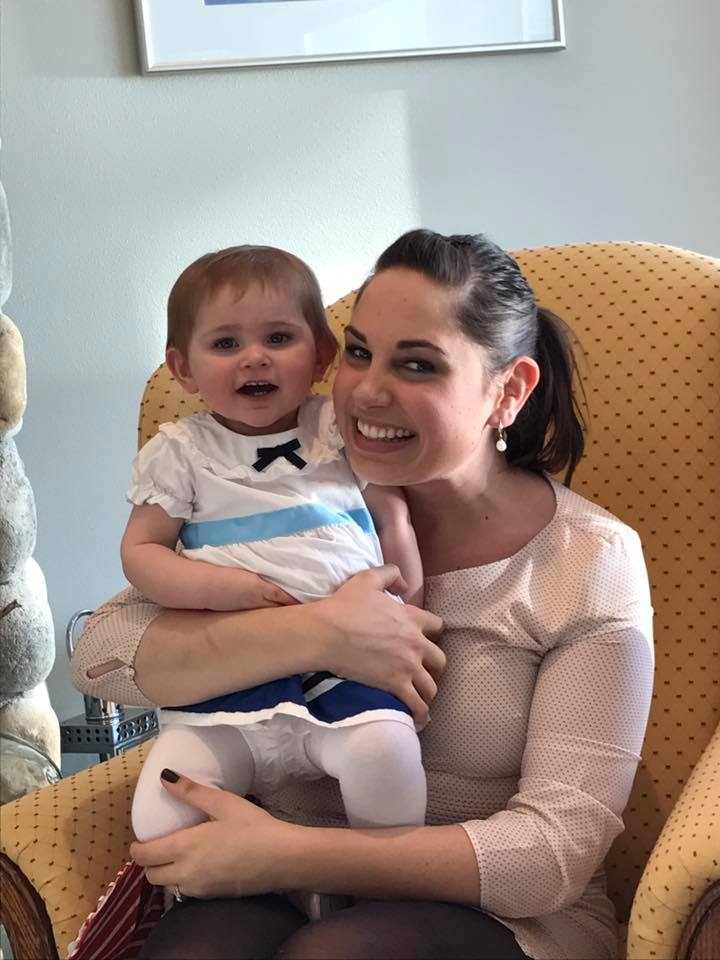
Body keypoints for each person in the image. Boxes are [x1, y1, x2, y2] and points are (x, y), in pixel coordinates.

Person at [72, 229, 654, 960]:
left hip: (502, 916)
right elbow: (101, 657)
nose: (366, 391)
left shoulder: (587, 560)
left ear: (508, 391)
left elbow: (555, 852)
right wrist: (322, 633)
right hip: (267, 879)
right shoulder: (290, 494)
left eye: (417, 364)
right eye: (357, 352)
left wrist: (289, 854)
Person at [123, 245, 428, 859]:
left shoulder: (336, 428)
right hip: (233, 675)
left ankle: (372, 889)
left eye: (279, 337)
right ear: (183, 368)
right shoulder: (180, 452)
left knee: (386, 758)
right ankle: (232, 895)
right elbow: (141, 550)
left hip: (346, 675)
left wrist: (408, 610)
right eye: (226, 343)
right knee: (159, 815)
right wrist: (217, 589)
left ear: (321, 355)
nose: (254, 356)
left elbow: (392, 516)